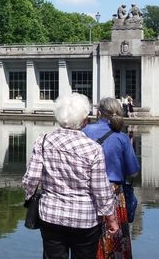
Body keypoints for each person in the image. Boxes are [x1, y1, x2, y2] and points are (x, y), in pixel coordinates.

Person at [22, 93, 118, 258]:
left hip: (51, 214)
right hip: (85, 217)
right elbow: (100, 189)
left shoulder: (43, 141)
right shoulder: (93, 149)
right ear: (84, 121)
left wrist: (29, 197)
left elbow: (31, 179)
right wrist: (110, 217)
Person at [83, 97, 140, 258]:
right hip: (114, 193)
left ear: (99, 112)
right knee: (116, 240)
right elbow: (134, 171)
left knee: (88, 240)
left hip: (88, 192)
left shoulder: (85, 132)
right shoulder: (121, 137)